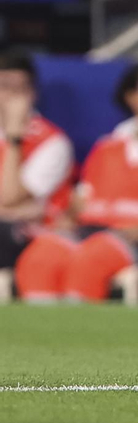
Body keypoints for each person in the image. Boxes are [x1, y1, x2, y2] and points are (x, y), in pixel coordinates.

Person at [14, 62, 138, 303]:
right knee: (41, 256)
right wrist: (66, 219)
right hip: (96, 230)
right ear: (134, 98)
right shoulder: (107, 145)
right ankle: (42, 338)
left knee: (91, 259)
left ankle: (78, 337)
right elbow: (81, 201)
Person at [0, 53, 73, 276]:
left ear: (32, 94)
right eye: (4, 87)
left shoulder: (53, 142)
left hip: (37, 236)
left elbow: (9, 197)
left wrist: (14, 138)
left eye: (19, 89)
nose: (11, 96)